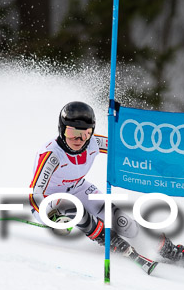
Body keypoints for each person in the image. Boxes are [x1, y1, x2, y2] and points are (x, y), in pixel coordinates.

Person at [28, 101, 139, 255]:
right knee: (72, 206)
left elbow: (124, 148)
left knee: (122, 222)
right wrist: (51, 216)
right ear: (62, 129)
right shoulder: (52, 154)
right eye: (72, 133)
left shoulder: (94, 142)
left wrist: (161, 163)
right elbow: (35, 195)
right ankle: (109, 239)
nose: (78, 140)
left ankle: (166, 248)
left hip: (79, 188)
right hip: (48, 202)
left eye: (85, 133)